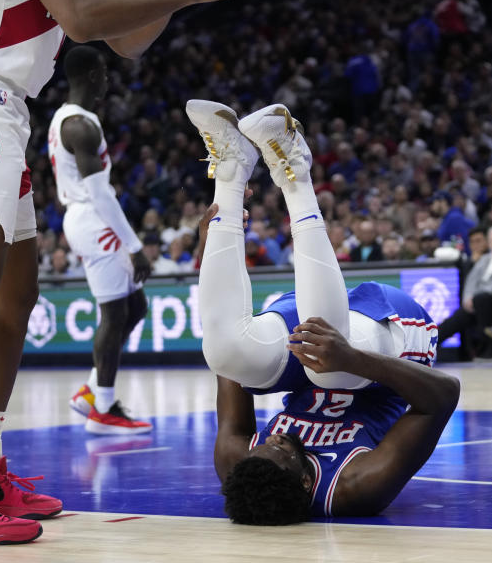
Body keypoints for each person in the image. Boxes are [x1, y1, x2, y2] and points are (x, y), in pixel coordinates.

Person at [0, 0, 234, 545]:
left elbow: (127, 41)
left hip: (8, 106)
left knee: (16, 298)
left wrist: (166, 0)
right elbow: (81, 19)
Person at [184, 100, 459, 524]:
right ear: (305, 484)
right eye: (282, 453)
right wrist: (353, 357)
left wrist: (219, 243)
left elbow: (231, 371)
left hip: (307, 339)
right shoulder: (355, 486)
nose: (276, 439)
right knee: (331, 370)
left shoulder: (239, 466)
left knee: (224, 355)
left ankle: (231, 171)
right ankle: (294, 168)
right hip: (390, 343)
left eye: (265, 445)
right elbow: (443, 396)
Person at [49, 46, 154, 434]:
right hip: (94, 221)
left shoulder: (65, 118)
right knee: (113, 316)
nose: (109, 79)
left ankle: (92, 391)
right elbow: (100, 194)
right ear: (93, 75)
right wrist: (135, 246)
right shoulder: (82, 126)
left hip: (87, 219)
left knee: (135, 307)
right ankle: (103, 410)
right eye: (105, 73)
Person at [436, 226, 492, 359]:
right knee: (459, 316)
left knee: (482, 300)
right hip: (480, 300)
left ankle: (490, 350)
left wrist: (477, 295)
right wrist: (468, 298)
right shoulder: (485, 259)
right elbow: (471, 280)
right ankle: (431, 343)